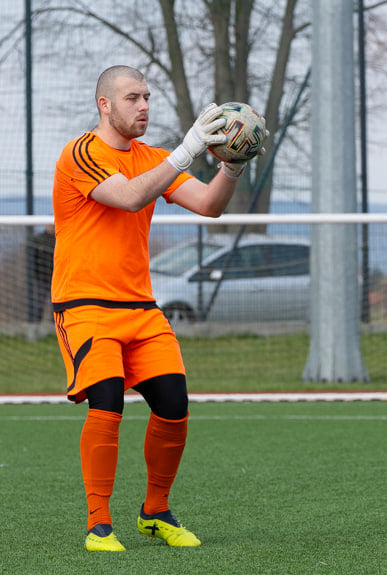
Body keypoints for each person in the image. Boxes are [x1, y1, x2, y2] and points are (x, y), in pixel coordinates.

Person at [51, 65, 263, 552]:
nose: (144, 105)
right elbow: (126, 197)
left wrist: (232, 165)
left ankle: (156, 511)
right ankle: (99, 524)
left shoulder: (154, 158)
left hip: (142, 309)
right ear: (105, 104)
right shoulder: (80, 153)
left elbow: (210, 206)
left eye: (147, 97)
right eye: (132, 97)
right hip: (84, 307)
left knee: (174, 407)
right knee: (106, 403)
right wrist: (188, 151)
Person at [25, 225, 55, 323]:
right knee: (39, 303)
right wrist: (36, 273)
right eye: (49, 225)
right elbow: (32, 258)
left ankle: (54, 326)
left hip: (56, 278)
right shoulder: (38, 239)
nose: (51, 227)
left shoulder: (58, 239)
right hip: (41, 278)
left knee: (55, 303)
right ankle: (36, 325)